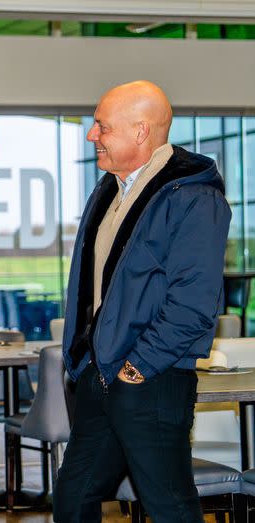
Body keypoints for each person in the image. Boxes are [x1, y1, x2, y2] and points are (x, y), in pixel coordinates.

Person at [53, 81, 231, 522]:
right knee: (73, 499)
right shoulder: (111, 189)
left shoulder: (192, 196)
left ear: (140, 132)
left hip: (150, 378)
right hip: (101, 374)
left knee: (168, 507)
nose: (92, 136)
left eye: (101, 126)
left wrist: (139, 368)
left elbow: (194, 303)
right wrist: (90, 362)